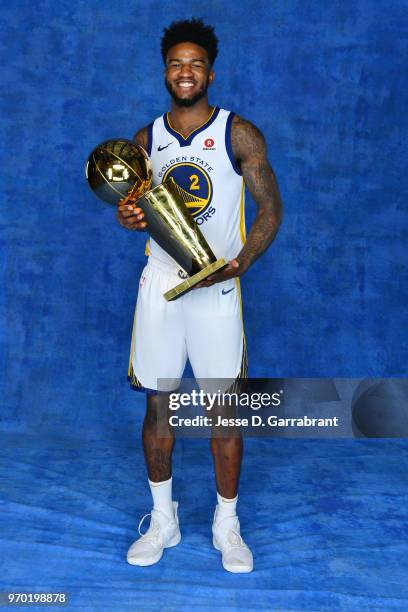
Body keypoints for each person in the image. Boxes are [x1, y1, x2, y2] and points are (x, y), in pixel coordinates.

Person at [117, 18, 282, 573]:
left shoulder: (239, 134)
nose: (184, 72)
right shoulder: (147, 140)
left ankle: (226, 523)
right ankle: (164, 519)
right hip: (162, 285)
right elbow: (140, 213)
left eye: (194, 63)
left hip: (217, 286)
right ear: (165, 71)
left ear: (210, 71)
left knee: (223, 409)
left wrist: (241, 262)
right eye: (174, 63)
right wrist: (128, 214)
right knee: (159, 403)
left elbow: (271, 211)